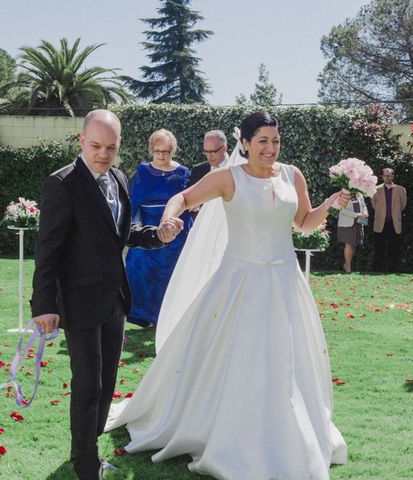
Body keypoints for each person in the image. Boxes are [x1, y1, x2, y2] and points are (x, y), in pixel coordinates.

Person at [104, 112, 350, 479]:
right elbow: (182, 198)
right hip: (240, 281)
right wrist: (168, 221)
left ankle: (288, 428)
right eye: (262, 141)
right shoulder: (227, 177)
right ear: (245, 143)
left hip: (285, 281)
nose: (270, 148)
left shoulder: (291, 175)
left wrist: (330, 204)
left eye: (276, 141)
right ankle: (227, 428)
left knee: (286, 358)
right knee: (240, 356)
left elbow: (302, 222)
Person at [29, 110, 181, 480]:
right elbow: (47, 249)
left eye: (111, 147)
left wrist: (154, 235)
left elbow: (121, 231)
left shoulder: (118, 178)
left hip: (115, 300)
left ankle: (86, 450)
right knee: (88, 385)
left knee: (107, 384)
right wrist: (44, 305)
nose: (103, 154)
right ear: (81, 140)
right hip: (79, 301)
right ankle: (85, 466)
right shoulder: (61, 183)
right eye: (96, 145)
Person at [124, 129, 193, 327]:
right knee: (142, 273)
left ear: (173, 151)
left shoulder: (183, 173)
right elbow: (132, 202)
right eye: (157, 151)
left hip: (175, 235)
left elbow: (188, 203)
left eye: (166, 151)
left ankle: (169, 318)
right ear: (151, 150)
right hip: (147, 233)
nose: (161, 155)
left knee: (172, 277)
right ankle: (143, 317)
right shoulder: (143, 172)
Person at [187, 130, 229, 218]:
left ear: (224, 148)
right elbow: (189, 202)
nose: (209, 156)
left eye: (213, 151)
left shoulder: (237, 168)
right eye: (206, 151)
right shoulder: (197, 171)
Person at [371, 168, 407, 272]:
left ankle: (393, 269)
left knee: (394, 248)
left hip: (394, 222)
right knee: (379, 247)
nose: (388, 177)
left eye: (390, 175)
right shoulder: (375, 189)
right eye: (386, 175)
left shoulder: (401, 189)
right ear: (382, 176)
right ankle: (378, 269)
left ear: (393, 176)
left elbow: (403, 205)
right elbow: (374, 205)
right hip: (380, 222)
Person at [337, 191, 368, 273]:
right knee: (349, 244)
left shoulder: (359, 194)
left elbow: (363, 205)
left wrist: (365, 213)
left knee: (353, 245)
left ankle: (346, 264)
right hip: (346, 223)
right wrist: (356, 215)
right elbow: (342, 210)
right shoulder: (343, 194)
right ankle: (348, 267)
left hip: (358, 223)